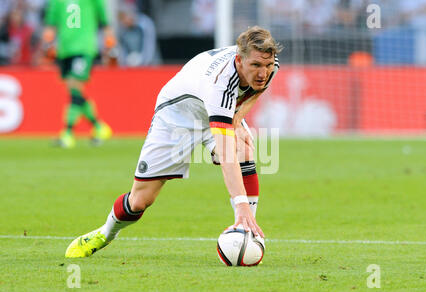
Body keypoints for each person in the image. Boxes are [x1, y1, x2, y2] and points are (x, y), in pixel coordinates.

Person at [65, 26, 282, 258]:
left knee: (244, 149)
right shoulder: (220, 83)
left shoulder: (269, 63)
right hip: (177, 116)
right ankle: (105, 233)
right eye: (256, 66)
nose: (263, 73)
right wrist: (241, 205)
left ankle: (248, 230)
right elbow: (225, 152)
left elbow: (257, 90)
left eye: (268, 66)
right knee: (140, 201)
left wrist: (238, 118)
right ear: (239, 61)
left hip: (215, 109)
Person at [42, 0, 116, 148]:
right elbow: (51, 25)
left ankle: (68, 133)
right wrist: (47, 45)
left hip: (84, 47)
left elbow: (104, 21)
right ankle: (99, 127)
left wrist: (110, 42)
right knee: (74, 91)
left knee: (75, 86)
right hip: (64, 50)